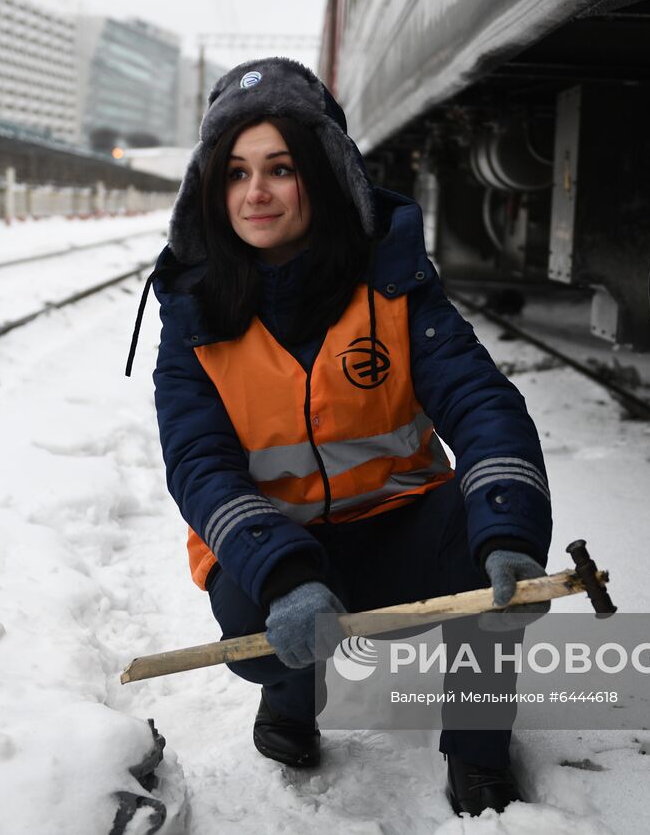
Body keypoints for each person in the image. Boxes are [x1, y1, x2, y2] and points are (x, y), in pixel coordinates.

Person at [131, 58, 552, 817]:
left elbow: (481, 400)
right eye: (234, 173)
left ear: (322, 174)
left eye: (280, 168)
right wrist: (287, 575)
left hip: (398, 532)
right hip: (279, 545)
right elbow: (200, 464)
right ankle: (292, 699)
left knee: (488, 529)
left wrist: (508, 529)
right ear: (210, 189)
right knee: (264, 612)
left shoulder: (393, 282)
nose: (255, 193)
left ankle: (480, 750)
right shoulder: (193, 317)